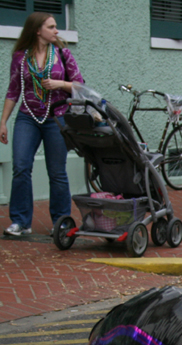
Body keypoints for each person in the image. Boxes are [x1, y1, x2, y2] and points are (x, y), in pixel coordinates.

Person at [1, 12, 83, 237]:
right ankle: (20, 221)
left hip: (56, 117)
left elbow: (79, 85)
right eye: (52, 27)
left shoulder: (63, 54)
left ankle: (61, 221)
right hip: (27, 117)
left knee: (57, 172)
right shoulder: (20, 57)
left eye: (56, 27)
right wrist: (3, 122)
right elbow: (13, 91)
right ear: (38, 30)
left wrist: (60, 83)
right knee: (21, 167)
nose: (57, 31)